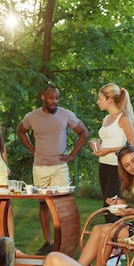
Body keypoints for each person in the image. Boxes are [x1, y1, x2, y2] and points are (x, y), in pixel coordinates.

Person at [17, 85, 90, 255]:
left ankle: (63, 242)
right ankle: (48, 242)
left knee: (62, 205)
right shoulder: (32, 116)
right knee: (43, 204)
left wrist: (72, 155)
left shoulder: (65, 114)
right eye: (51, 98)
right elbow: (21, 131)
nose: (54, 101)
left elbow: (84, 132)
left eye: (57, 98)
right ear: (43, 97)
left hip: (59, 168)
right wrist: (32, 150)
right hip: (40, 167)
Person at [92, 83, 134, 223]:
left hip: (116, 167)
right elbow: (108, 140)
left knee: (109, 208)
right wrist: (99, 147)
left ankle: (115, 240)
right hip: (103, 166)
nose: (98, 101)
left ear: (109, 100)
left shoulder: (123, 118)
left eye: (100, 98)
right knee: (112, 207)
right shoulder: (105, 119)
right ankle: (118, 241)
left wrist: (109, 150)